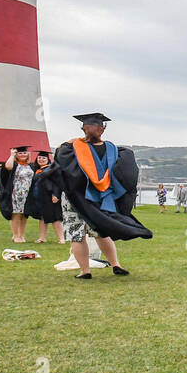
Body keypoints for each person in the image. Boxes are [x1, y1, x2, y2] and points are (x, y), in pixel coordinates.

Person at [48, 112, 146, 279]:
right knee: (100, 231)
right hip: (99, 197)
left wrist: (67, 142)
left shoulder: (71, 148)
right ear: (102, 129)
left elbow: (59, 164)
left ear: (83, 128)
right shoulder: (112, 149)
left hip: (74, 198)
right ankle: (116, 265)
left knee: (76, 234)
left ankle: (85, 271)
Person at [0, 146, 35, 243]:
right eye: (20, 153)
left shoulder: (30, 166)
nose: (23, 154)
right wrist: (12, 155)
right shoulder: (15, 165)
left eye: (24, 153)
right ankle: (16, 235)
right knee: (16, 214)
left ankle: (21, 235)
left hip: (27, 193)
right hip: (16, 193)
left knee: (24, 215)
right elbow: (8, 167)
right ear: (16, 155)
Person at [28, 150, 62, 243]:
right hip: (40, 198)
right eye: (39, 158)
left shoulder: (52, 169)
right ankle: (42, 238)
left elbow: (57, 183)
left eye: (43, 158)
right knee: (42, 217)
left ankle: (61, 238)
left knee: (55, 218)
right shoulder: (36, 170)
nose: (41, 159)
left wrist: (55, 194)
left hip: (50, 197)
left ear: (48, 159)